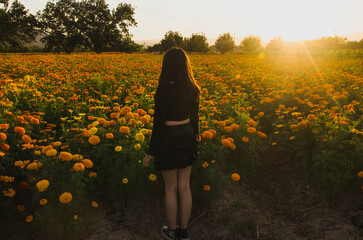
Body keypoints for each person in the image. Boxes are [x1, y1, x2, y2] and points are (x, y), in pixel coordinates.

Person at [142, 47, 200, 240]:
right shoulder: (192, 88)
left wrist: (150, 152)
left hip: (168, 139)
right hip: (186, 137)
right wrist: (195, 139)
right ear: (185, 65)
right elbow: (195, 119)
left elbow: (158, 124)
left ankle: (172, 231)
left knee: (170, 188)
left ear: (166, 65)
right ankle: (183, 232)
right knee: (185, 187)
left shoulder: (163, 90)